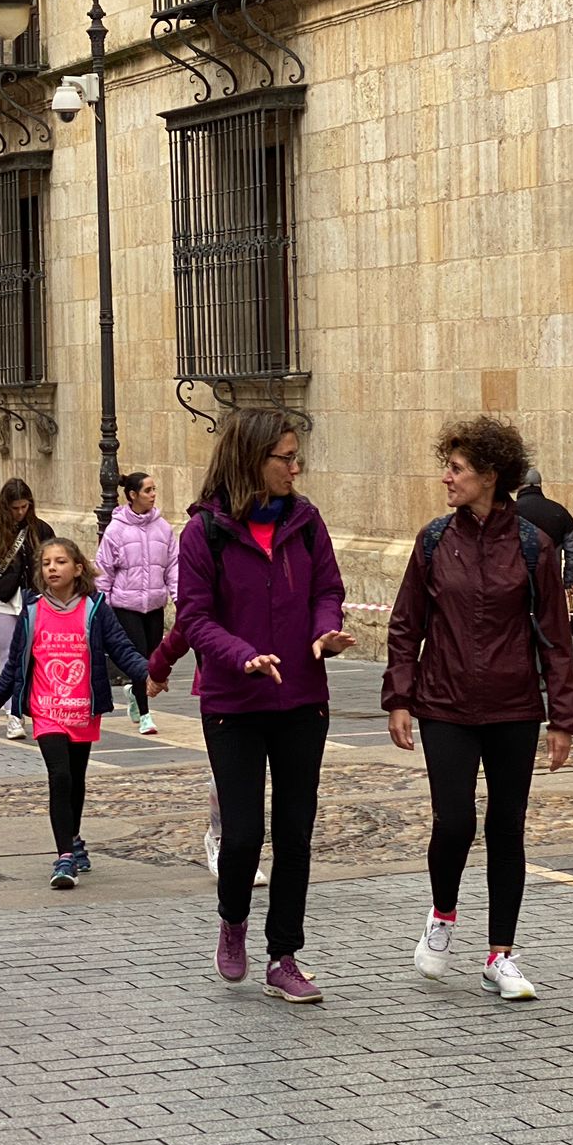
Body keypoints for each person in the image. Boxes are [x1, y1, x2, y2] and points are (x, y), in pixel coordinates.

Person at [384, 418, 573, 1002]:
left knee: (505, 830)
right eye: (448, 465)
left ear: (490, 476)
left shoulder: (532, 545)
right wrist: (399, 697)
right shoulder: (433, 540)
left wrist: (561, 717)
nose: (446, 477)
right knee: (455, 823)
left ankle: (501, 954)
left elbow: (555, 636)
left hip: (514, 707)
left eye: (457, 468)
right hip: (443, 704)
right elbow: (404, 624)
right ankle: (442, 917)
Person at [175, 409, 352, 1004]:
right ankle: (232, 918)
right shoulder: (203, 534)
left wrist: (325, 633)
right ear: (253, 459)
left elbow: (329, 590)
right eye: (286, 457)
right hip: (234, 701)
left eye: (296, 456)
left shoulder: (306, 521)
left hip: (303, 694)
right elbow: (193, 618)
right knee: (244, 834)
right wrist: (242, 654)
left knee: (295, 832)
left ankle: (284, 956)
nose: (296, 467)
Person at [0, 537, 150, 888]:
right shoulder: (33, 610)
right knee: (60, 776)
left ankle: (74, 837)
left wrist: (150, 673)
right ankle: (65, 857)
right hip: (47, 709)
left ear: (78, 568)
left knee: (76, 779)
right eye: (46, 563)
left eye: (60, 562)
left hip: (83, 709)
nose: (52, 568)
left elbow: (121, 648)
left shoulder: (95, 608)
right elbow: (17, 662)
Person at [147, 619, 267, 887]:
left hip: (272, 679)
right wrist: (159, 666)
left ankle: (247, 849)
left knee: (261, 774)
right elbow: (189, 621)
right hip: (224, 684)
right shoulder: (213, 579)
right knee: (229, 771)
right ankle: (221, 839)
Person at [0, 479, 54, 742]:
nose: (19, 512)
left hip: (32, 598)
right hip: (1, 602)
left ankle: (33, 705)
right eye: (15, 507)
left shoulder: (39, 529)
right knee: (10, 654)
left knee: (36, 653)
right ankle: (13, 714)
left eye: (24, 506)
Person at [95, 471, 177, 737]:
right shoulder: (116, 530)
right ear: (132, 495)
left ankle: (133, 692)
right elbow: (104, 571)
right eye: (148, 490)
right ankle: (145, 715)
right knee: (140, 659)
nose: (153, 495)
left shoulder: (163, 529)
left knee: (154, 660)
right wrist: (102, 609)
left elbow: (173, 567)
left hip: (154, 605)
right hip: (125, 606)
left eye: (154, 490)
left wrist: (180, 600)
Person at [513, 466, 573, 687]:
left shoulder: (511, 512)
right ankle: (548, 674)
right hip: (549, 582)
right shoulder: (558, 512)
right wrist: (570, 579)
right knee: (548, 625)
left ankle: (528, 674)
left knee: (519, 627)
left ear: (519, 486)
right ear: (540, 485)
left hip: (516, 581)